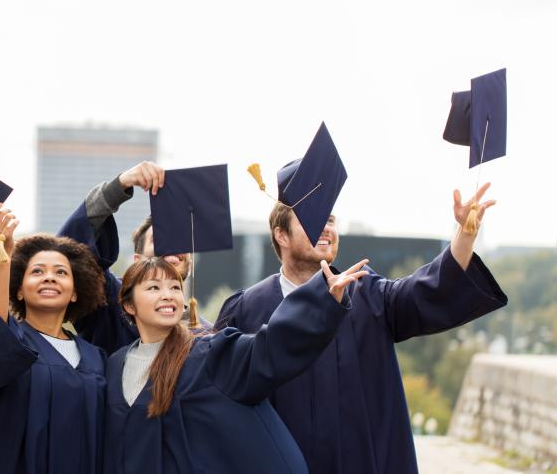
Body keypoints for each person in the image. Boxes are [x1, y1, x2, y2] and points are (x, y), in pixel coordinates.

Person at [214, 184, 507, 474]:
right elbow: (215, 392)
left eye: (330, 220)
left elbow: (427, 289)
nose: (326, 227)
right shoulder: (245, 310)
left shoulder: (367, 295)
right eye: (312, 217)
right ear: (281, 235)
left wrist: (465, 234)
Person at [106, 255, 365, 473]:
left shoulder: (206, 352)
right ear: (129, 304)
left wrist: (322, 301)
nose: (168, 296)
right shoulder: (115, 365)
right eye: (154, 288)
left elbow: (270, 347)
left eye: (175, 287)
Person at [0, 208, 108, 474]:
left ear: (75, 292)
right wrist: (2, 255)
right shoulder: (10, 341)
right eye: (37, 271)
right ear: (19, 288)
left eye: (61, 273)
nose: (49, 277)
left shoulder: (96, 358)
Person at [59, 161, 206, 354]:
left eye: (180, 240)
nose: (171, 246)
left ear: (190, 262)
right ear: (137, 260)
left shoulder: (206, 334)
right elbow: (69, 254)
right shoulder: (110, 302)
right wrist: (119, 186)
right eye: (158, 240)